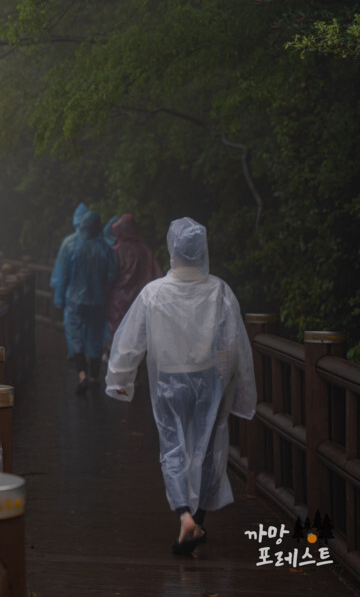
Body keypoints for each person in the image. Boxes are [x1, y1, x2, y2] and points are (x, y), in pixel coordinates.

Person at [105, 217, 257, 556]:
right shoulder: (219, 291)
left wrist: (120, 378)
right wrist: (242, 389)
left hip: (169, 380)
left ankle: (184, 514)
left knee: (172, 446)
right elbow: (236, 347)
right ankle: (198, 519)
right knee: (208, 446)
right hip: (207, 379)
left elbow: (130, 341)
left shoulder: (154, 292)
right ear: (202, 250)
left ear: (172, 250)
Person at [55, 209, 116, 394]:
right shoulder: (105, 248)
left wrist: (59, 298)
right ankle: (94, 377)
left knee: (76, 338)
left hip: (75, 300)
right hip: (97, 300)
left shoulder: (72, 247)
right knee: (95, 337)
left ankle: (81, 374)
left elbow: (63, 275)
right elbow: (112, 275)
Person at [106, 213, 162, 337]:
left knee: (117, 338)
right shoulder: (146, 251)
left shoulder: (116, 251)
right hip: (140, 302)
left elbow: (108, 278)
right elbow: (157, 277)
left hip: (117, 303)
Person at [50, 202, 89, 291]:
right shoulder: (98, 243)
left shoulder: (68, 242)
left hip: (71, 294)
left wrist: (57, 289)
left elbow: (60, 269)